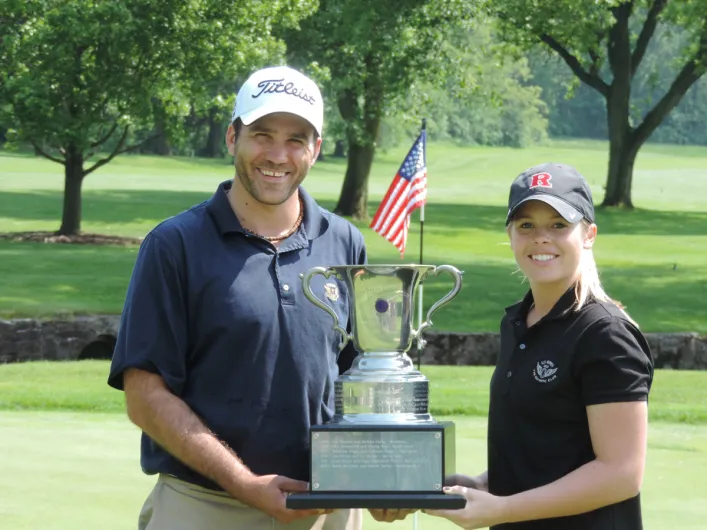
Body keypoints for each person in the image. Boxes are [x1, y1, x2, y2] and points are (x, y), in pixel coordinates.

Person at [107, 65, 370, 529]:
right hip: (204, 505)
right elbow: (144, 395)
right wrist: (244, 482)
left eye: (296, 139)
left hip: (325, 508)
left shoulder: (345, 243)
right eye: (262, 134)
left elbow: (357, 376)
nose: (277, 154)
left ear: (316, 149)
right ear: (232, 137)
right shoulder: (175, 245)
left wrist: (381, 479)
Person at [427, 163, 654, 529]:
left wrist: (502, 509)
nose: (540, 238)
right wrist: (488, 485)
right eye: (526, 225)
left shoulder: (605, 334)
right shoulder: (518, 322)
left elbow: (621, 473)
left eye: (559, 225)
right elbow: (549, 446)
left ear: (589, 233)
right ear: (511, 233)